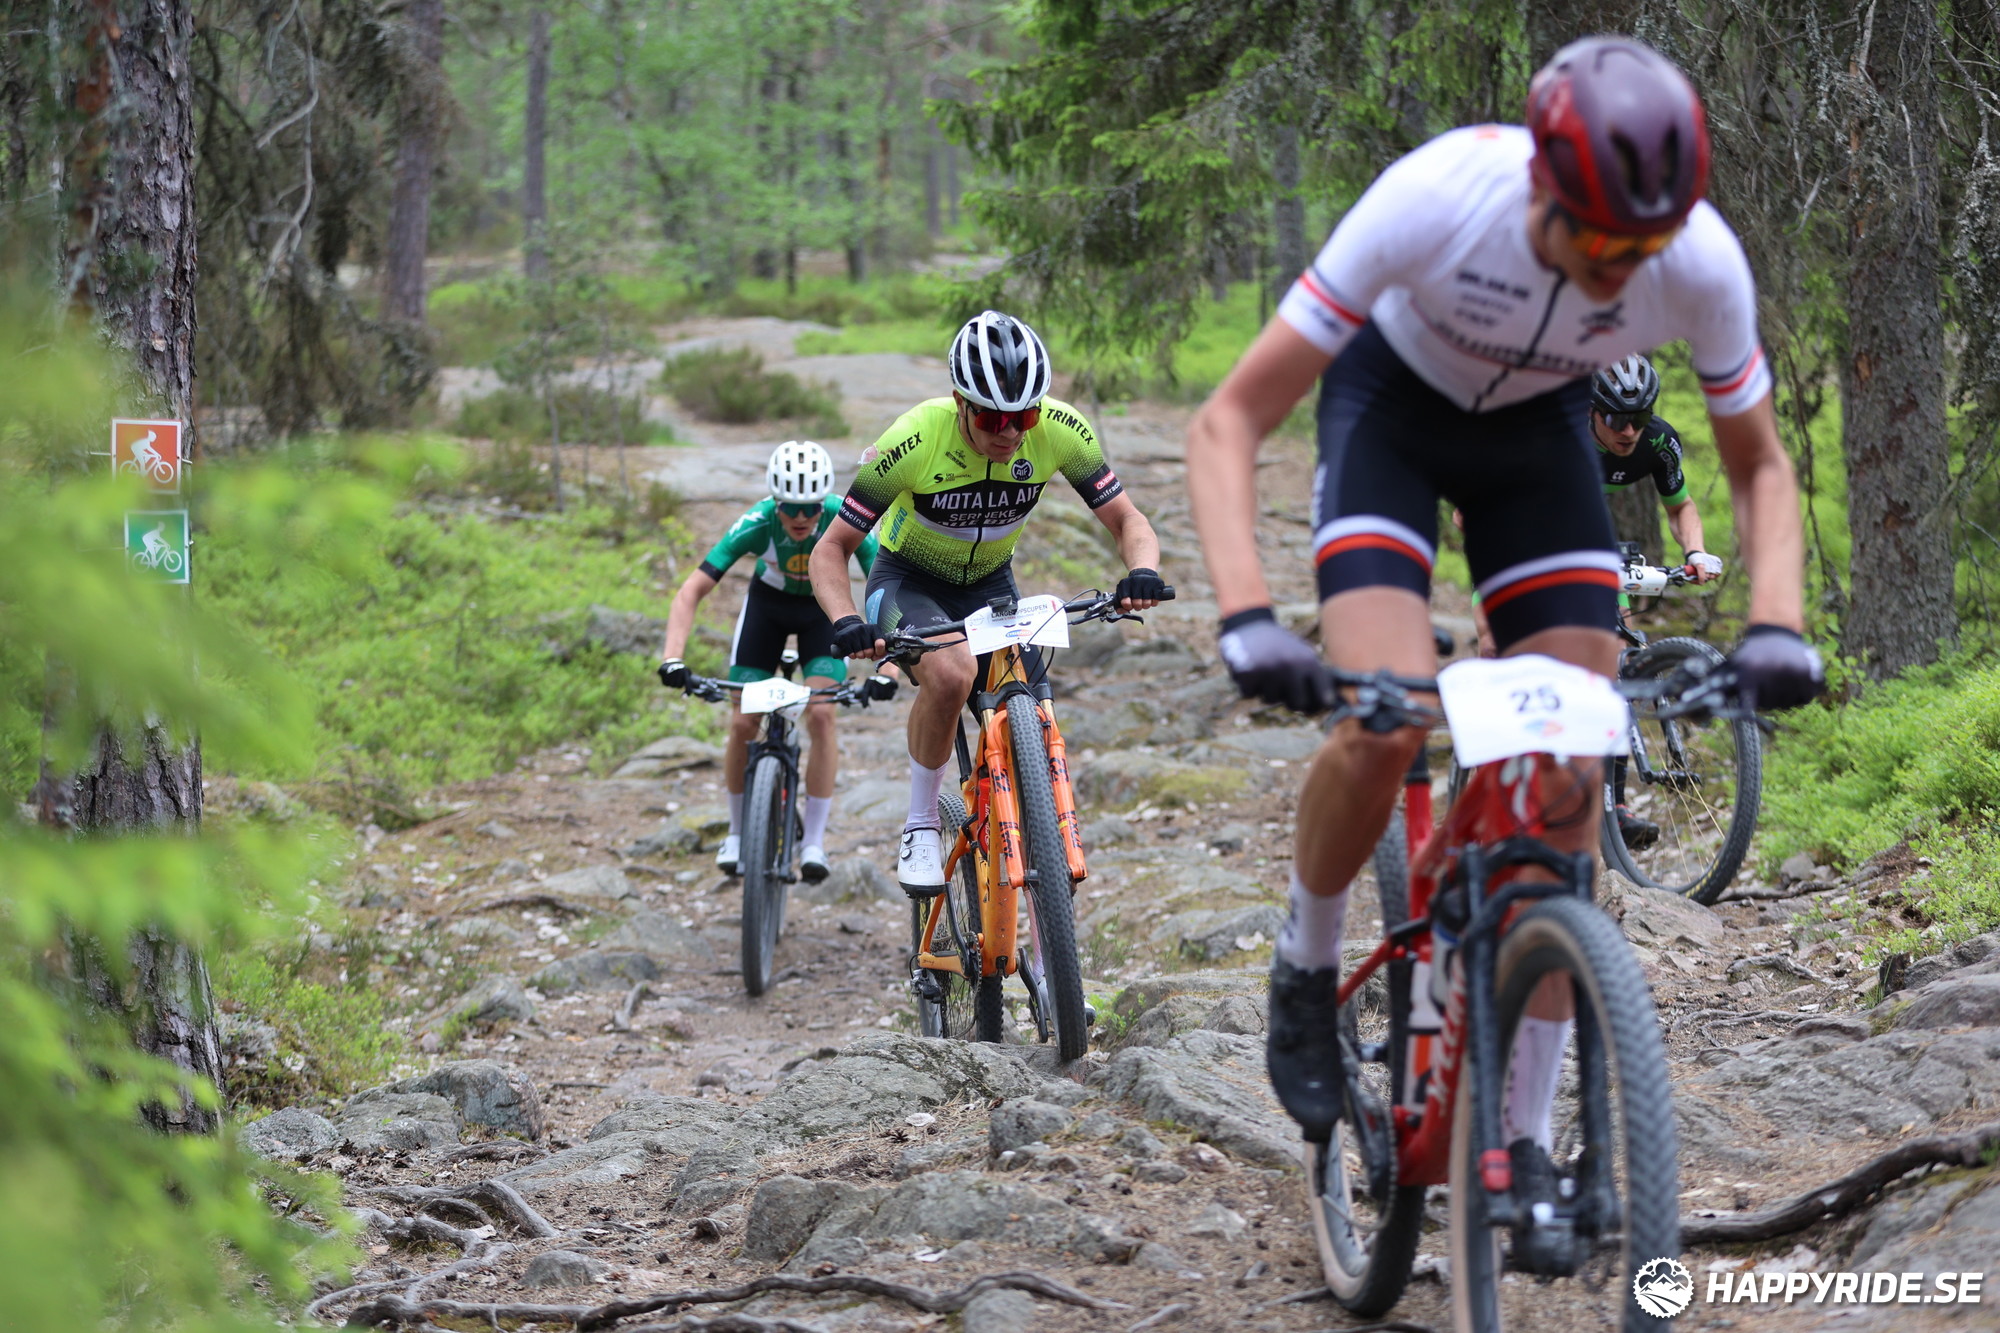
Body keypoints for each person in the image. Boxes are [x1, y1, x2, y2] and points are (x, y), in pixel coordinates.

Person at [1184, 35, 1823, 1262]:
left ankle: (1521, 1140)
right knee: (1380, 726)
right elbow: (1229, 419)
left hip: (1537, 444)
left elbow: (1754, 464)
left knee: (1567, 776)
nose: (1615, 268)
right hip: (1390, 416)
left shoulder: (1695, 257)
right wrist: (1246, 616)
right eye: (1596, 239)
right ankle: (1305, 969)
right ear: (1539, 183)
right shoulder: (1438, 196)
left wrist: (1775, 627)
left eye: (1638, 249)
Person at [808, 310, 1168, 895]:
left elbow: (1127, 519)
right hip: (908, 581)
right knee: (952, 674)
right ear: (960, 403)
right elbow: (831, 548)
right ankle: (921, 823)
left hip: (992, 584)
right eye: (994, 418)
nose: (1011, 433)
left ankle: (1040, 850)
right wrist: (846, 619)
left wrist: (1142, 571)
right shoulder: (914, 439)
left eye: (1024, 417)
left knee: (1034, 702)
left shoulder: (1062, 430)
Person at [658, 441, 888, 881]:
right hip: (767, 609)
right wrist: (672, 658)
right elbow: (691, 591)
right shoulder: (757, 522)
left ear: (823, 502)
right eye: (789, 508)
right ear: (774, 502)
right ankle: (737, 833)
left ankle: (814, 842)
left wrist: (888, 669)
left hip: (822, 612)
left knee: (822, 715)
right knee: (743, 722)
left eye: (810, 509)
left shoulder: (843, 517)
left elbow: (885, 588)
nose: (801, 518)